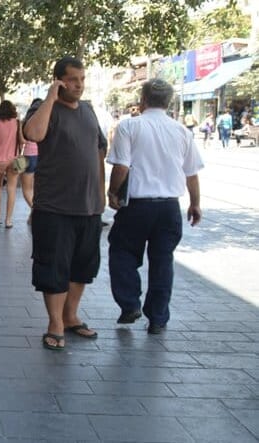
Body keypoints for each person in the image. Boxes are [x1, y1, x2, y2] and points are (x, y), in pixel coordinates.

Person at [22, 56, 107, 351]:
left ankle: (71, 316)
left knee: (83, 267)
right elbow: (33, 134)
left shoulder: (89, 110)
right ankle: (55, 322)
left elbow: (99, 152)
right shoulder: (42, 107)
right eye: (72, 79)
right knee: (53, 267)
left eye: (82, 79)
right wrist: (50, 96)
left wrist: (102, 194)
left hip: (89, 206)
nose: (79, 85)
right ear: (58, 79)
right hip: (54, 207)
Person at [106, 79, 203, 334]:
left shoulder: (130, 126)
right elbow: (192, 173)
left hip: (137, 207)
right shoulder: (182, 131)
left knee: (122, 253)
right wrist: (195, 203)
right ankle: (158, 319)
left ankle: (129, 304)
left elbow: (121, 167)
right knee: (162, 262)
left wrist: (112, 191)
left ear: (143, 99)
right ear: (168, 102)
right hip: (169, 208)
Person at [0, 100, 23, 228]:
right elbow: (22, 140)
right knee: (11, 189)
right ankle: (8, 220)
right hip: (14, 160)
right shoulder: (17, 123)